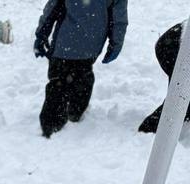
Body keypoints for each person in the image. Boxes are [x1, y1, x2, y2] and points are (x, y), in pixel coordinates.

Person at [34, 0, 128, 138]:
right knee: (83, 76)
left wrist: (41, 35)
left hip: (64, 43)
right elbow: (119, 19)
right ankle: (75, 112)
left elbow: (52, 7)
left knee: (58, 81)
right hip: (90, 45)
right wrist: (116, 44)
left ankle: (51, 123)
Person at [139, 23, 190, 134]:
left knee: (184, 99)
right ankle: (148, 132)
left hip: (175, 43)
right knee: (179, 99)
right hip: (173, 47)